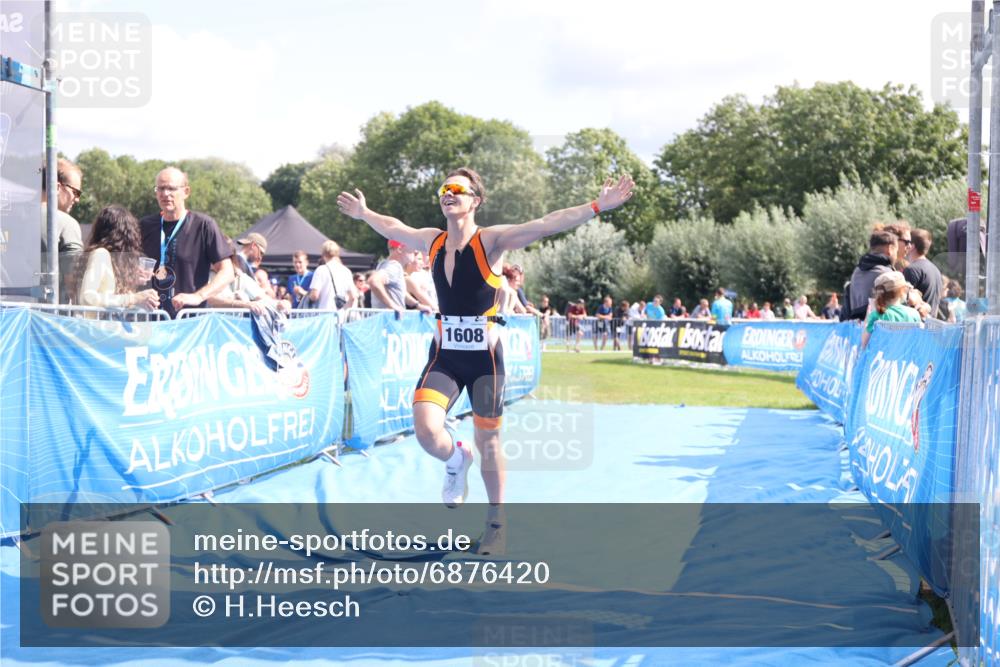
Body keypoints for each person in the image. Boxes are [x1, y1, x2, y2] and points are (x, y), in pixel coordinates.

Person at [337, 168, 633, 552]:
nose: (449, 193)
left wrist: (597, 206)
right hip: (444, 355)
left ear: (475, 200)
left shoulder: (492, 241)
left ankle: (496, 522)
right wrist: (364, 214)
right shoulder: (432, 240)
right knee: (426, 430)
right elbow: (393, 225)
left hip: (484, 359)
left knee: (489, 441)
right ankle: (457, 458)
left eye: (458, 189)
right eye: (444, 188)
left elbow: (545, 224)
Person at [139, 167, 234, 317]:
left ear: (186, 192)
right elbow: (126, 267)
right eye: (160, 188)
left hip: (188, 323)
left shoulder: (203, 225)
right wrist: (134, 274)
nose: (165, 194)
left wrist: (199, 296)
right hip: (150, 321)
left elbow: (227, 271)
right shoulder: (144, 226)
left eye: (171, 188)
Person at [68, 205, 159, 311]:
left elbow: (108, 295)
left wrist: (131, 283)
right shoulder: (101, 254)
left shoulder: (104, 257)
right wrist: (133, 298)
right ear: (126, 235)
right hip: (95, 326)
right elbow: (87, 297)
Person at [208, 241, 291, 315]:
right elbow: (209, 299)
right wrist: (243, 304)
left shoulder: (240, 277)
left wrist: (281, 303)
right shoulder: (204, 276)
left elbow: (262, 297)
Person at [842, 229, 898, 321]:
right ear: (890, 249)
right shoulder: (888, 275)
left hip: (857, 332)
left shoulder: (856, 272)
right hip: (881, 330)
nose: (896, 257)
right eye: (896, 250)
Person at [367, 239, 429, 314]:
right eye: (412, 251)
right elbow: (374, 281)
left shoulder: (387, 264)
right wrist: (392, 306)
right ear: (400, 249)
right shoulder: (393, 266)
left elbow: (401, 292)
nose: (415, 252)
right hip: (389, 321)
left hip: (388, 320)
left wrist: (417, 305)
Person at [861, 271, 922, 347]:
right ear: (902, 290)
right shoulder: (914, 314)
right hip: (906, 358)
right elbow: (918, 341)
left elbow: (864, 343)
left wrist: (867, 320)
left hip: (882, 357)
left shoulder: (876, 315)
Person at [902, 229, 943, 320]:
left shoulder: (912, 270)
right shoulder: (936, 270)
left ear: (912, 246)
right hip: (930, 326)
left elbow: (904, 302)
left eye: (907, 242)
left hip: (916, 327)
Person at [307, 240, 357, 311]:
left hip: (324, 313)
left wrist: (307, 296)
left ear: (323, 254)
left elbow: (314, 295)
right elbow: (353, 297)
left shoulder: (321, 270)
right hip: (341, 315)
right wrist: (345, 310)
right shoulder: (346, 271)